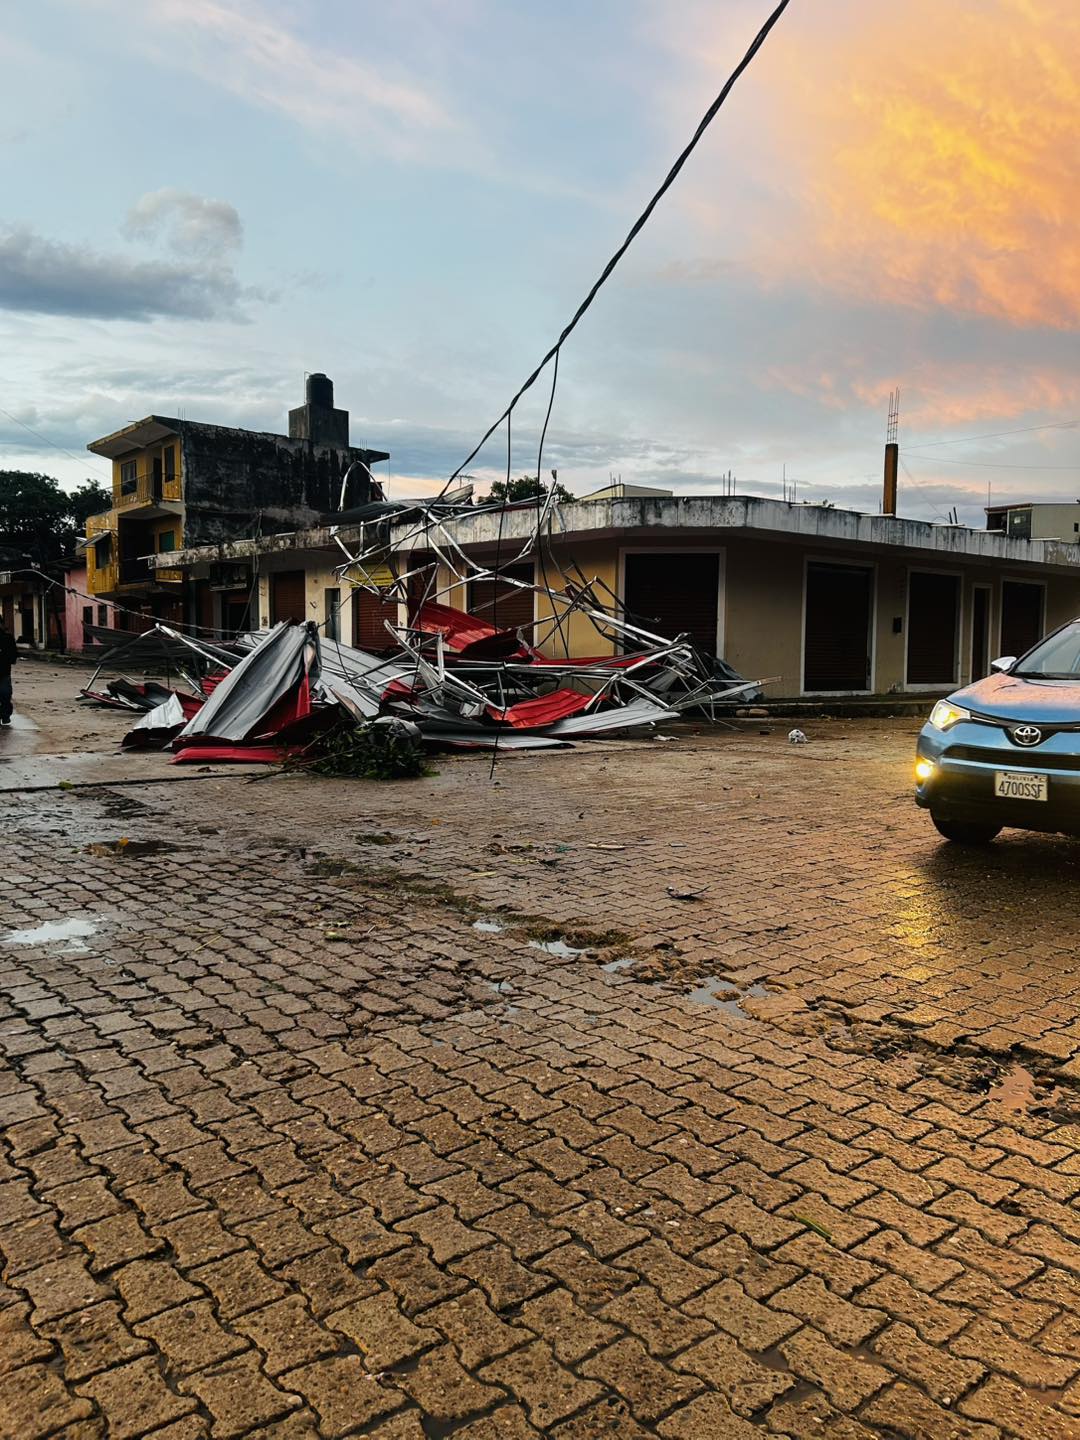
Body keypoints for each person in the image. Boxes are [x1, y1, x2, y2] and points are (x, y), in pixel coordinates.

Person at [0, 619, 17, 725]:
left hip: (4, 672)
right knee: (5, 695)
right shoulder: (8, 638)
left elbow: (13, 656)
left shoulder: (8, 638)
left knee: (5, 695)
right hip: (4, 671)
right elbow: (13, 657)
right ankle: (5, 716)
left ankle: (5, 715)